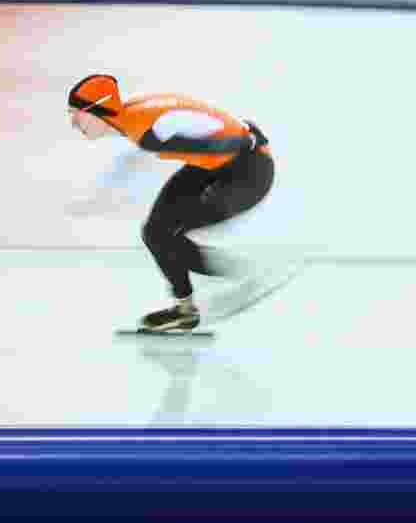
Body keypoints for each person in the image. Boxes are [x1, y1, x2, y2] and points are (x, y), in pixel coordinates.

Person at [67, 74, 275, 333]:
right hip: (217, 165)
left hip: (249, 173)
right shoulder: (128, 115)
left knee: (167, 235)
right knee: (155, 232)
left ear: (97, 110)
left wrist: (247, 137)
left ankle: (244, 277)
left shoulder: (144, 130)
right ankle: (184, 310)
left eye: (76, 115)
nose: (73, 123)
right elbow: (192, 115)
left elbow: (224, 138)